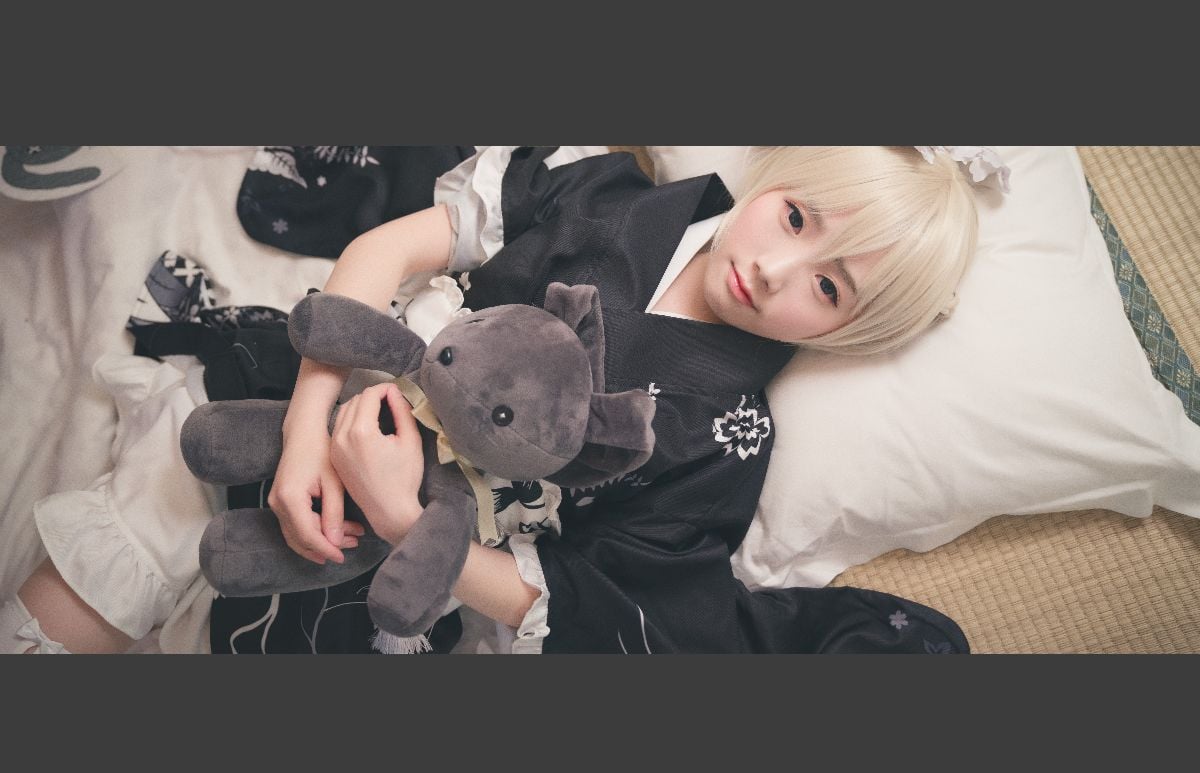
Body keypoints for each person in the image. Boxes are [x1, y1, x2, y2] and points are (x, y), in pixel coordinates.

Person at [3, 145, 984, 654]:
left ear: (850, 330)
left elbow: (591, 597)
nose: (775, 269)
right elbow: (388, 249)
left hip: (424, 557)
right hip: (344, 381)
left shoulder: (730, 438)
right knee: (164, 499)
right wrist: (307, 431)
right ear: (774, 179)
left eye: (829, 288)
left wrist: (403, 520)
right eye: (797, 218)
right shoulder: (603, 191)